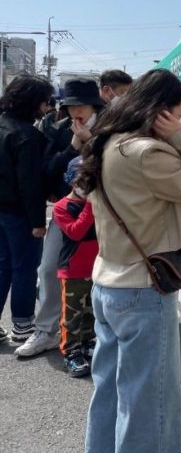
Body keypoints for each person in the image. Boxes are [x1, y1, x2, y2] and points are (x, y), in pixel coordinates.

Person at [78, 69, 181, 453]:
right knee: (150, 404)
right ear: (162, 112)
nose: (180, 122)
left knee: (109, 392)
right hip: (141, 290)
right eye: (178, 114)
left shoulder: (109, 143)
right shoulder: (146, 151)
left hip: (108, 282)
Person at [16, 78, 104, 357]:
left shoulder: (112, 128)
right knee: (49, 267)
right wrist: (75, 145)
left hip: (109, 212)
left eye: (81, 104)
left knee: (103, 271)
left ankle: (100, 332)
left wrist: (94, 145)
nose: (75, 110)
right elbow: (47, 172)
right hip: (70, 211)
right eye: (69, 105)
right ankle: (46, 330)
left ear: (94, 104)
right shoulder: (58, 129)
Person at [0, 75, 54, 343]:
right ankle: (22, 323)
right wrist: (38, 222)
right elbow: (29, 184)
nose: (47, 107)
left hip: (2, 210)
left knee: (3, 265)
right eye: (45, 102)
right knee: (24, 267)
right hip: (19, 213)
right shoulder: (27, 135)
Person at [52, 157, 97, 377]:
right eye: (81, 181)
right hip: (73, 271)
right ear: (71, 182)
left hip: (96, 269)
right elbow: (76, 231)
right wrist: (89, 205)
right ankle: (71, 351)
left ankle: (88, 343)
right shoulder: (62, 207)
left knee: (91, 311)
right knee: (72, 315)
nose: (85, 187)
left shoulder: (96, 203)